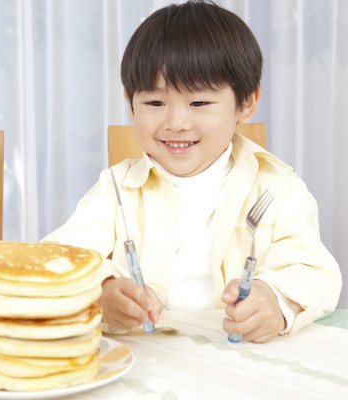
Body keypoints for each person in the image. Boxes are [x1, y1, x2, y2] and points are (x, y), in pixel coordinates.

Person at [43, 1, 341, 343]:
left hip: (242, 362)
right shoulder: (114, 189)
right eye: (155, 103)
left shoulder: (278, 188)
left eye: (199, 103)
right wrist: (100, 291)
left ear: (246, 103)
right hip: (144, 359)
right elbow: (58, 259)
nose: (176, 123)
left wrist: (278, 300)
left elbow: (317, 274)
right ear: (130, 104)